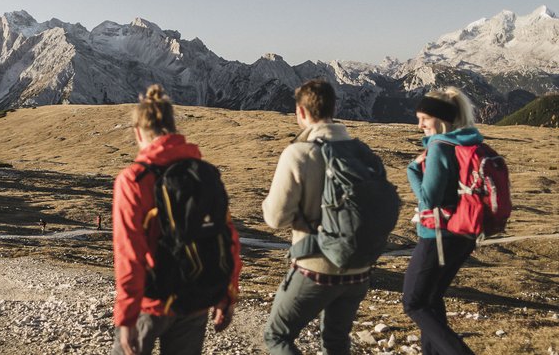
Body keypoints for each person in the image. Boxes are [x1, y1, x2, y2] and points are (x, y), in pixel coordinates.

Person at [112, 85, 241, 355]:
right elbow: (227, 236)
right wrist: (227, 292)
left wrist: (126, 317)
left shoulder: (134, 180)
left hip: (151, 303)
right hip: (196, 297)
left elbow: (129, 255)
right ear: (173, 128)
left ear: (138, 132)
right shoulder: (204, 173)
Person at [262, 79, 372, 355]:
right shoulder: (361, 151)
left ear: (301, 112)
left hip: (317, 267)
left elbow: (276, 218)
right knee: (336, 341)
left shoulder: (299, 154)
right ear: (334, 107)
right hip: (359, 269)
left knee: (277, 336)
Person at [403, 87, 480, 355]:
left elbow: (429, 199)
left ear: (441, 118)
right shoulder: (467, 142)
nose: (419, 124)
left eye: (424, 118)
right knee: (431, 301)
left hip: (438, 236)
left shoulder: (439, 146)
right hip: (463, 235)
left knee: (414, 303)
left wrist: (412, 170)